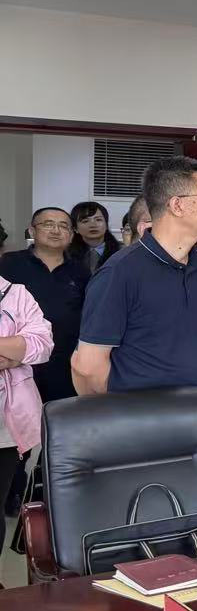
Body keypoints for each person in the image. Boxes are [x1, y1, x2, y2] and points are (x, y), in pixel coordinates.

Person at [72, 158, 197, 395]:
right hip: (143, 412)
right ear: (177, 205)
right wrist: (118, 412)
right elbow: (87, 368)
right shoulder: (120, 272)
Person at [0, 208, 90, 517]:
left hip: (63, 365)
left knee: (58, 436)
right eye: (47, 224)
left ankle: (45, 497)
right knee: (17, 437)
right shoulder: (11, 264)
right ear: (32, 230)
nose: (55, 230)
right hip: (16, 371)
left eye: (63, 226)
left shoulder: (81, 272)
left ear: (71, 234)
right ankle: (13, 493)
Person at [0, 271, 53, 556]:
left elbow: (42, 343)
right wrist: (13, 350)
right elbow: (23, 345)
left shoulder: (15, 294)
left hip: (4, 428)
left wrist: (17, 352)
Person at [70, 201, 123, 275]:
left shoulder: (122, 251)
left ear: (106, 224)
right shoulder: (66, 253)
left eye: (98, 220)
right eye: (85, 221)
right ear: (75, 229)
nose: (93, 225)